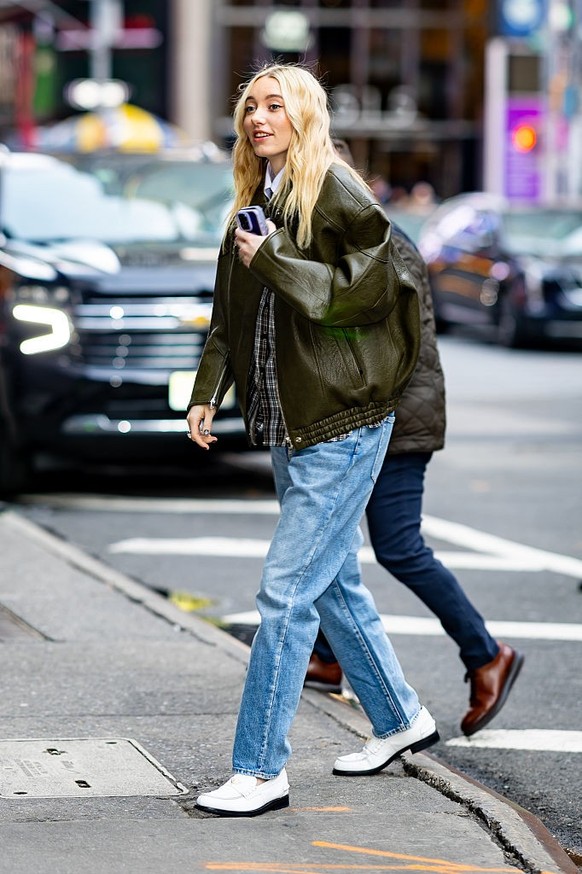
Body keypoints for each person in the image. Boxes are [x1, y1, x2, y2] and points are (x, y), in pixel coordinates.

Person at [186, 63, 438, 817]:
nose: (259, 117)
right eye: (250, 106)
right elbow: (232, 315)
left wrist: (275, 261)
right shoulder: (253, 201)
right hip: (296, 422)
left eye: (275, 106)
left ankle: (260, 770)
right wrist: (208, 392)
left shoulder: (335, 188)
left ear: (305, 115)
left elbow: (363, 292)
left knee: (286, 590)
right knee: (330, 583)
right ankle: (399, 718)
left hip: (346, 419)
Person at [305, 221, 524, 738]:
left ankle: (488, 654)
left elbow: (380, 335)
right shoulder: (358, 231)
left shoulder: (377, 236)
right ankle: (328, 654)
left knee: (398, 546)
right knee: (327, 536)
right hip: (380, 414)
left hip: (396, 418)